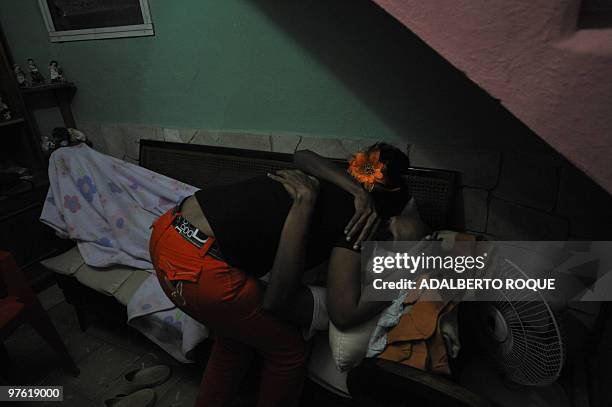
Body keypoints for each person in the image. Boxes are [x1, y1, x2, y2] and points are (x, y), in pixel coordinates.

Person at [149, 143, 423, 406]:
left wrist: (356, 193)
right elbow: (338, 312)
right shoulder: (360, 221)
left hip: (166, 234)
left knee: (234, 340)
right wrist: (406, 274)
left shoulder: (333, 178)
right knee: (288, 350)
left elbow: (302, 155)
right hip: (202, 274)